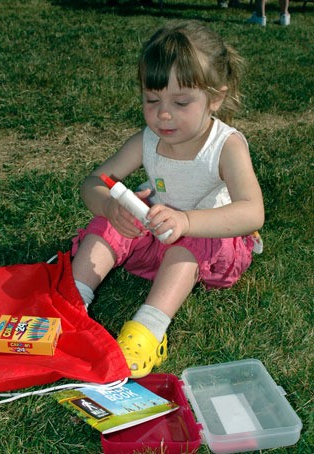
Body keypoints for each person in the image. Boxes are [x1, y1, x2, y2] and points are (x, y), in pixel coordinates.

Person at [71, 21, 265, 378]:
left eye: (180, 102)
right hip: (155, 233)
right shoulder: (145, 140)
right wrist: (111, 207)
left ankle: (147, 329)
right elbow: (93, 183)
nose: (163, 113)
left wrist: (188, 222)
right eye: (152, 99)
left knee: (186, 243)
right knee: (107, 222)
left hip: (210, 243)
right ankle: (71, 302)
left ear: (216, 98)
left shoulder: (226, 146)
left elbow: (252, 212)